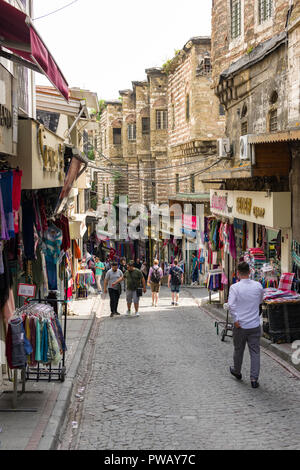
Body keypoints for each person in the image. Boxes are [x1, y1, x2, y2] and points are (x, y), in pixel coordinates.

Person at [228, 261, 264, 389]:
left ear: (238, 273)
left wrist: (236, 319)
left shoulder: (234, 287)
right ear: (250, 272)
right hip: (254, 324)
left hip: (240, 325)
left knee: (239, 350)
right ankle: (254, 379)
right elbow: (260, 301)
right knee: (255, 352)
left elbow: (231, 305)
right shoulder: (258, 286)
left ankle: (237, 371)